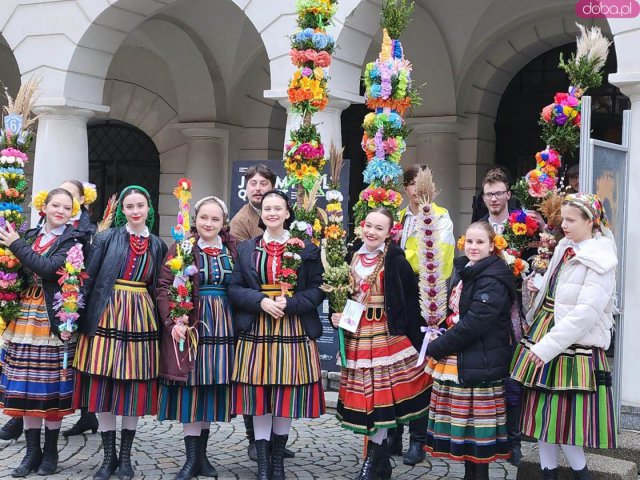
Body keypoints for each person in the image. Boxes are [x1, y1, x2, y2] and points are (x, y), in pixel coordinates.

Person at [511, 193, 618, 480]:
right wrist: (537, 285)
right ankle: (549, 475)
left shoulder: (601, 260)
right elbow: (555, 289)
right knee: (542, 420)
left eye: (571, 220)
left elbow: (584, 314)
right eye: (563, 219)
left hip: (572, 346)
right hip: (546, 335)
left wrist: (546, 347)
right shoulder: (564, 246)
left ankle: (583, 476)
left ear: (591, 222)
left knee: (565, 424)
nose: (564, 225)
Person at [229, 190, 325, 480]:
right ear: (261, 214)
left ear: (287, 213)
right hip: (257, 325)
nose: (271, 213)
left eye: (277, 208)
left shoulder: (306, 249)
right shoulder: (247, 249)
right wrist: (260, 301)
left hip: (291, 324)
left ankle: (277, 461)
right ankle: (262, 464)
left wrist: (292, 304)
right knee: (259, 395)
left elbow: (319, 289)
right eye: (267, 208)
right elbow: (233, 288)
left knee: (285, 395)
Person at [73, 186, 167, 480]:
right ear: (122, 210)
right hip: (107, 313)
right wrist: (74, 318)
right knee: (103, 385)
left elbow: (160, 287)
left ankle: (125, 456)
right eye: (130, 206)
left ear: (149, 208)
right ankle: (108, 456)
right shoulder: (105, 238)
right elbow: (87, 279)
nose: (136, 211)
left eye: (140, 205)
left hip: (142, 317)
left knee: (133, 387)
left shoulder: (158, 245)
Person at [331, 207, 432, 480]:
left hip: (387, 334)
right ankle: (379, 459)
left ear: (389, 233)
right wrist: (337, 315)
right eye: (368, 225)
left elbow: (410, 303)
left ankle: (376, 458)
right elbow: (344, 296)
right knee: (365, 398)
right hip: (358, 333)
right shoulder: (351, 256)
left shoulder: (395, 260)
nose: (371, 232)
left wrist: (420, 342)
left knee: (381, 401)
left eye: (379, 228)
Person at [0, 179, 100, 443]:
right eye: (56, 205)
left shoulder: (74, 240)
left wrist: (14, 245)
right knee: (25, 384)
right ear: (44, 207)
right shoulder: (32, 235)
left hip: (51, 317)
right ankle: (32, 452)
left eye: (67, 208)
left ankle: (51, 451)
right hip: (25, 315)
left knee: (49, 387)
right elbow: (22, 271)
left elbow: (48, 268)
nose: (60, 211)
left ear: (73, 212)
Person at [424, 221, 515, 480]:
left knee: (478, 430)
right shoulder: (467, 269)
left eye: (480, 242)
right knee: (464, 429)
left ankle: (479, 477)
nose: (474, 247)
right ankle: (468, 476)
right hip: (464, 355)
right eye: (470, 242)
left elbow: (475, 323)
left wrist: (439, 346)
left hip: (480, 359)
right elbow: (456, 313)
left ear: (492, 246)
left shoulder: (493, 277)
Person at [157, 196, 238, 480]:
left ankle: (202, 457)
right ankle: (192, 459)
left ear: (223, 223)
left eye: (215, 219)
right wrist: (172, 321)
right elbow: (165, 286)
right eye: (204, 217)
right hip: (193, 323)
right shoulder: (182, 248)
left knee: (210, 389)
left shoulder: (233, 249)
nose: (209, 223)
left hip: (224, 326)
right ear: (195, 219)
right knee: (191, 388)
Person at [389, 165, 455, 465]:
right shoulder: (400, 217)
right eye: (412, 183)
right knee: (395, 363)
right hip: (399, 294)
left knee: (421, 365)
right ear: (406, 188)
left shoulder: (440, 216)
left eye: (422, 183)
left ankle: (418, 437)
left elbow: (441, 256)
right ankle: (394, 430)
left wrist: (404, 260)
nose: (417, 189)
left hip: (426, 295)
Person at [229, 164, 294, 462]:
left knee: (280, 384)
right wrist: (261, 300)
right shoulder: (242, 221)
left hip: (285, 317)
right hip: (255, 310)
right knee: (254, 384)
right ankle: (254, 440)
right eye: (252, 183)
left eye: (263, 182)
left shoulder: (293, 233)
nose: (257, 187)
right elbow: (245, 272)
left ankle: (273, 446)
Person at [230, 164, 276, 242]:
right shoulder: (239, 222)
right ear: (246, 188)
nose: (258, 188)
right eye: (253, 184)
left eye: (263, 184)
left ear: (273, 187)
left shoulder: (283, 214)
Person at [480, 168, 512, 234]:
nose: (493, 199)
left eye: (499, 193)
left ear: (508, 195)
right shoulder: (478, 228)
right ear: (484, 198)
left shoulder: (523, 224)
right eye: (489, 194)